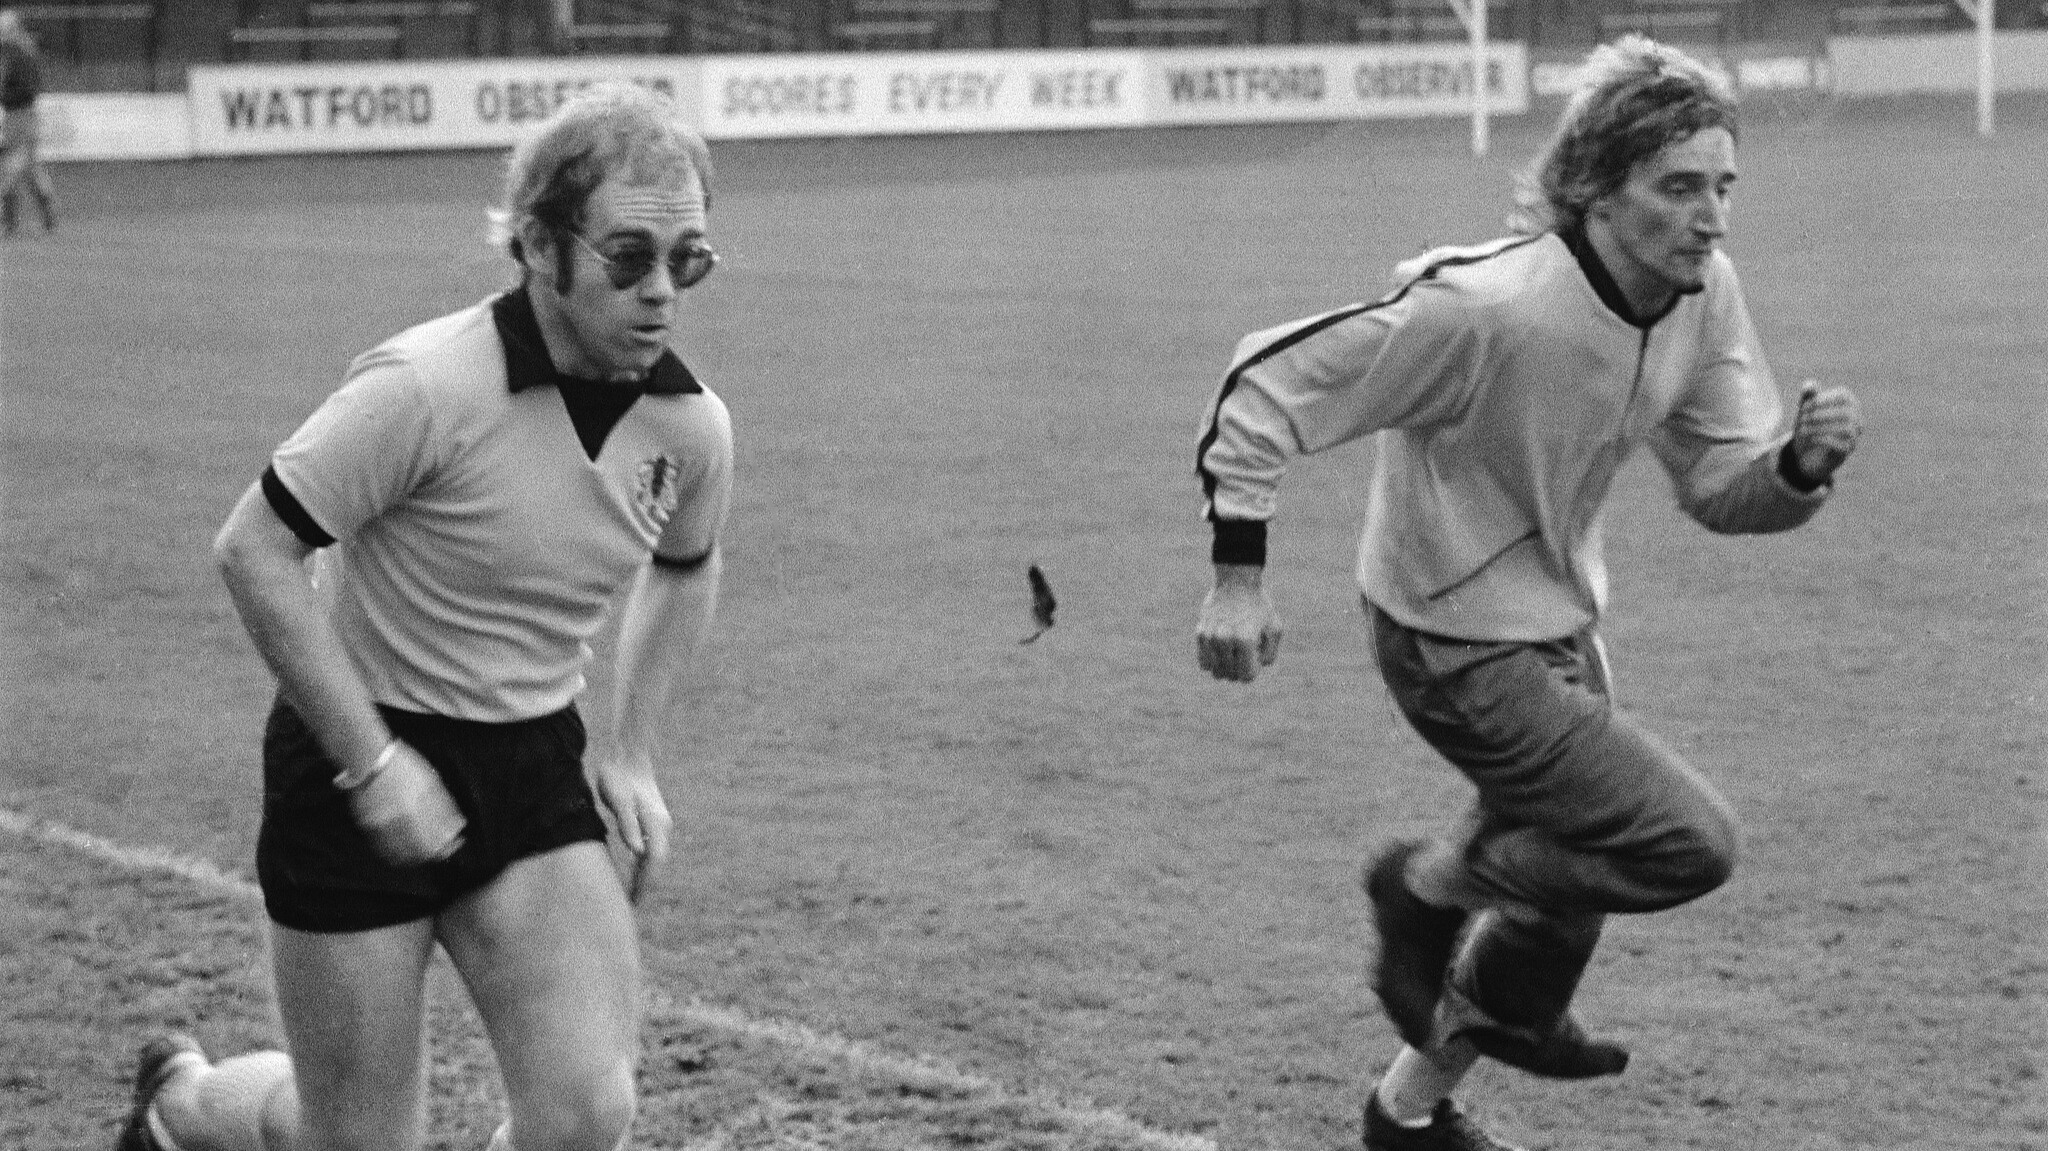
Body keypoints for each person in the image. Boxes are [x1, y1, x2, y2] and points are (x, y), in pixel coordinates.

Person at [1193, 36, 1862, 1151]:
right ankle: (1423, 887)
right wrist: (1234, 579)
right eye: (1678, 187)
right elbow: (1265, 381)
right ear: (1597, 188)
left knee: (1568, 886)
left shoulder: (1701, 293)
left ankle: (1408, 1110)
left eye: (1722, 186)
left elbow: (1712, 482)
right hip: (1449, 638)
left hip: (1557, 626)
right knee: (1682, 841)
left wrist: (1794, 470)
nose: (1711, 216)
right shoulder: (1488, 309)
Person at [116, 82, 733, 1151]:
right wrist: (372, 761)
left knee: (586, 1110)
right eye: (628, 256)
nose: (661, 290)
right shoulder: (427, 384)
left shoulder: (691, 427)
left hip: (531, 769)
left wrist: (630, 752)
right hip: (355, 765)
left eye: (689, 260)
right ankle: (180, 1103)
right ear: (539, 247)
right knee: (350, 1136)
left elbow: (685, 565)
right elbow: (255, 549)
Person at [0, 7, 57, 235]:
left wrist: (4, 96)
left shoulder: (23, 55)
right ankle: (49, 212)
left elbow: (29, 91)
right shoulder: (8, 54)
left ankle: (9, 224)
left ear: (12, 30)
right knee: (31, 172)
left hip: (24, 118)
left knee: (11, 172)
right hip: (13, 119)